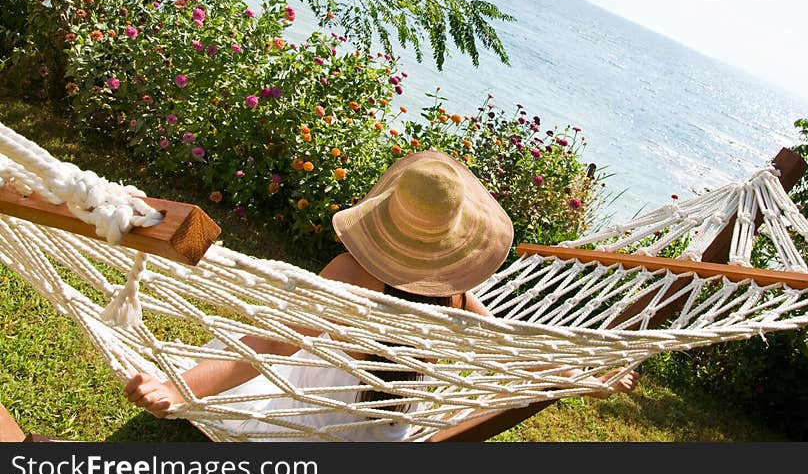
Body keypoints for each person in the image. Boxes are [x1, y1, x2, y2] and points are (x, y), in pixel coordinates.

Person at [125, 150, 639, 440]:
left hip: (318, 414)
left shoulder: (354, 273)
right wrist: (581, 375)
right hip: (381, 433)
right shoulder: (456, 294)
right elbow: (504, 348)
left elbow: (274, 344)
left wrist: (182, 389)